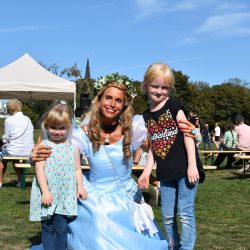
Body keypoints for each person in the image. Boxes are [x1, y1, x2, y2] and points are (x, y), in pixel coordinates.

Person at [31, 77, 172, 249]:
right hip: (95, 192)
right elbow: (60, 154)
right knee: (99, 217)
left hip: (125, 193)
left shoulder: (133, 130)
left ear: (123, 106)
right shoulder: (82, 134)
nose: (112, 104)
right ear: (99, 100)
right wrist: (34, 157)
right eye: (108, 98)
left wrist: (191, 134)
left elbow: (158, 146)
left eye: (118, 100)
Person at [138, 63, 204, 250]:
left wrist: (192, 164)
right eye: (155, 86)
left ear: (170, 89)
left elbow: (188, 135)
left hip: (185, 171)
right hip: (166, 174)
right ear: (145, 85)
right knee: (167, 216)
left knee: (185, 213)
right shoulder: (146, 115)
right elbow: (154, 146)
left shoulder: (174, 105)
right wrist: (146, 172)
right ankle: (173, 246)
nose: (159, 91)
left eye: (165, 87)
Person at [29, 104, 87, 250]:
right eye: (53, 127)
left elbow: (77, 169)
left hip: (64, 195)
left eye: (62, 128)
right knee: (48, 228)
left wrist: (80, 187)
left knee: (62, 229)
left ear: (68, 128)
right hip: (47, 194)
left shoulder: (72, 148)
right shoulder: (44, 146)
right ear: (47, 126)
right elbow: (39, 170)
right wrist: (45, 192)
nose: (57, 132)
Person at [0, 99, 34, 188]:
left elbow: (6, 137)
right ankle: (20, 182)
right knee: (15, 159)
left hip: (14, 150)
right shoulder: (28, 119)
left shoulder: (9, 120)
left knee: (1, 158)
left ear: (10, 109)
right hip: (28, 151)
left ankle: (0, 182)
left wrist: (3, 142)